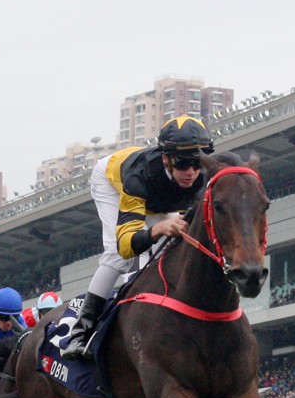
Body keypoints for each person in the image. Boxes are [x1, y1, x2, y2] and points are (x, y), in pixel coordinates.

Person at [61, 115, 214, 361]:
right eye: (184, 164)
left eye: (197, 164)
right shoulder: (138, 176)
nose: (191, 173)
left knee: (174, 248)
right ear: (166, 159)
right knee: (117, 257)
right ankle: (81, 332)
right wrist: (157, 229)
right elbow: (125, 245)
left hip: (158, 198)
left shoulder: (202, 178)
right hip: (112, 182)